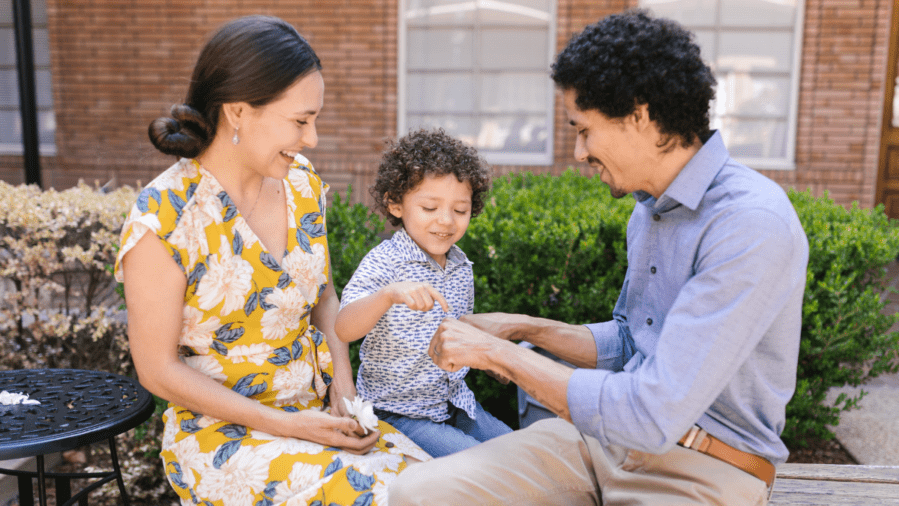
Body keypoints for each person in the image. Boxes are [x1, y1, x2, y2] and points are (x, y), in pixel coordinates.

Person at [390, 9, 809, 506]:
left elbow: (653, 412)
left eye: (584, 129)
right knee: (419, 493)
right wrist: (522, 327)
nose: (577, 150)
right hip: (598, 443)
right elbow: (634, 340)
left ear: (640, 116)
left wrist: (497, 355)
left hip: (702, 466)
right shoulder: (649, 209)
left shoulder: (749, 224)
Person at [116, 15, 429, 506]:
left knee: (434, 484)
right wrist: (289, 425)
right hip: (222, 439)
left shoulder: (301, 184)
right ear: (238, 111)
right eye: (301, 121)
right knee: (384, 495)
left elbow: (323, 295)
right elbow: (156, 369)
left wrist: (343, 391)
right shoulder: (165, 216)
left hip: (315, 415)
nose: (312, 139)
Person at [333, 128, 512, 457]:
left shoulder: (460, 266)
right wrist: (387, 295)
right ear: (396, 204)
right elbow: (344, 327)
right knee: (484, 468)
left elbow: (460, 336)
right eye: (430, 208)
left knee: (527, 453)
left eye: (460, 211)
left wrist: (489, 361)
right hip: (400, 414)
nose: (446, 221)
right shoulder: (386, 262)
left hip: (456, 404)